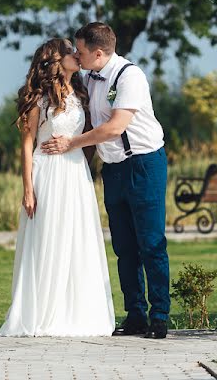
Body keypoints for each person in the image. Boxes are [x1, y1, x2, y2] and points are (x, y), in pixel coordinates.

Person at [41, 22, 170, 339]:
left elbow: (114, 128)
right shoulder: (88, 76)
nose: (76, 54)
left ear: (98, 53)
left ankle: (160, 317)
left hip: (143, 164)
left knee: (150, 244)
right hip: (112, 169)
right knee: (124, 247)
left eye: (80, 50)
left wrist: (70, 144)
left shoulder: (130, 77)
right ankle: (135, 314)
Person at [0, 38, 115, 337]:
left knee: (77, 238)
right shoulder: (38, 97)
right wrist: (28, 189)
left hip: (76, 173)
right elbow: (26, 145)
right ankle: (43, 312)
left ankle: (75, 312)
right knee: (49, 237)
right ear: (55, 59)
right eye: (70, 52)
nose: (77, 55)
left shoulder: (81, 91)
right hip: (47, 172)